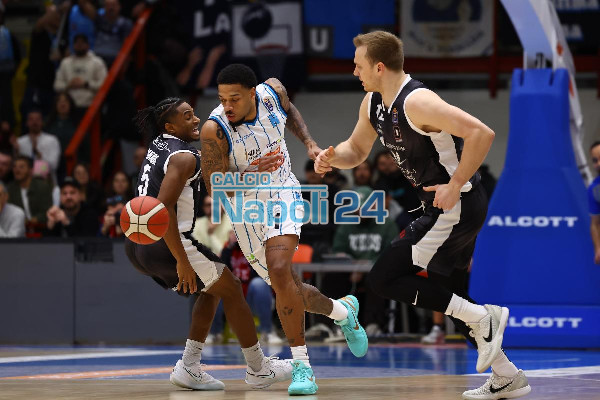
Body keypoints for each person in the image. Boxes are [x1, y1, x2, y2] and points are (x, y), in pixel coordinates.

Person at [314, 31, 531, 399]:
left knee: (383, 278)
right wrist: (332, 158)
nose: (354, 72)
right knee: (450, 297)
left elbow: (482, 133)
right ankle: (507, 374)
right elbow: (357, 150)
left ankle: (485, 317)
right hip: (445, 206)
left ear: (379, 67)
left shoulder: (418, 101)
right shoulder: (372, 103)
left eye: (358, 65)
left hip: (455, 205)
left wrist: (456, 182)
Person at [200, 64, 368, 395]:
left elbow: (288, 111)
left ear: (252, 94)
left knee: (279, 271)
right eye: (222, 99)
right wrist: (250, 173)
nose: (228, 105)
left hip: (282, 193)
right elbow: (213, 187)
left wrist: (308, 142)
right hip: (244, 210)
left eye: (235, 98)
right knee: (288, 288)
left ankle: (303, 368)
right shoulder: (214, 129)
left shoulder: (272, 92)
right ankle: (343, 310)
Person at [124, 97, 292, 391]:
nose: (196, 120)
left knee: (214, 287)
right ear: (170, 126)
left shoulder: (160, 146)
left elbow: (214, 176)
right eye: (187, 116)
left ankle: (190, 366)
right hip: (166, 240)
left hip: (137, 243)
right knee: (233, 288)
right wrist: (182, 260)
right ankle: (259, 369)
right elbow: (163, 209)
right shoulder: (183, 157)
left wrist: (252, 169)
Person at [54, 33, 107, 119]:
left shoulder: (97, 62)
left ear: (88, 45)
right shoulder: (65, 62)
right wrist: (69, 85)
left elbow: (105, 85)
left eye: (82, 43)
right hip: (70, 108)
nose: (79, 45)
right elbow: (57, 85)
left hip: (90, 106)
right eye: (77, 43)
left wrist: (86, 84)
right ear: (73, 45)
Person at [15, 109, 61, 180]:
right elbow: (16, 165)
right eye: (31, 119)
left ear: (42, 122)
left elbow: (53, 166)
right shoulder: (20, 141)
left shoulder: (52, 140)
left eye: (37, 119)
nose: (34, 122)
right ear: (27, 123)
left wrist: (37, 152)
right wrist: (15, 151)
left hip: (46, 180)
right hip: (24, 181)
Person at [7, 156, 53, 226]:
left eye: (21, 167)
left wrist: (32, 221)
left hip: (41, 227)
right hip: (18, 227)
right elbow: (10, 211)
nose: (17, 170)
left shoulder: (42, 186)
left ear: (30, 170)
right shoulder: (11, 188)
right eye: (14, 167)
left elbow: (47, 211)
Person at [588, 141, 600, 264]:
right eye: (595, 160)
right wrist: (598, 249)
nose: (598, 164)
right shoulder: (595, 189)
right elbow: (595, 224)